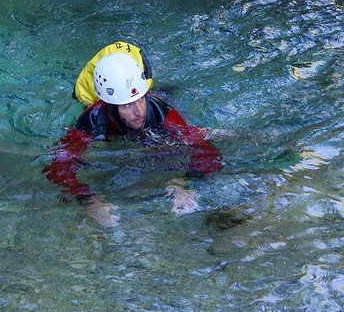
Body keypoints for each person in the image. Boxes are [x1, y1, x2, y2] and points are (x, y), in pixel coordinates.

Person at [45, 47, 221, 227]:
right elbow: (58, 167)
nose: (139, 112)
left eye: (141, 99)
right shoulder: (92, 120)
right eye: (127, 105)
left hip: (162, 107)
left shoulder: (162, 114)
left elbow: (208, 154)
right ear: (110, 104)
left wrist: (187, 183)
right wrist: (88, 199)